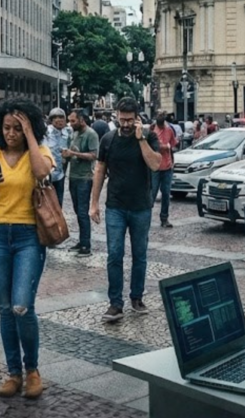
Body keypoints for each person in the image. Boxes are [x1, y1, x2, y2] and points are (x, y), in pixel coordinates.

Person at [0, 99, 54, 400]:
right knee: (5, 309)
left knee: (23, 305)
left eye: (17, 128)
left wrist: (31, 135)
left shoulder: (40, 152)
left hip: (29, 236)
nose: (10, 134)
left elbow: (42, 172)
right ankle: (13, 373)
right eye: (7, 128)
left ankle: (32, 369)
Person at [89, 97, 162, 323]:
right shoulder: (108, 139)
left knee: (139, 255)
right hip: (116, 206)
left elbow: (156, 164)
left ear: (137, 118)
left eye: (130, 120)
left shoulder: (149, 136)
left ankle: (136, 297)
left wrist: (141, 140)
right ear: (117, 116)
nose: (126, 124)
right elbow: (100, 170)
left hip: (141, 206)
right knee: (114, 255)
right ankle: (115, 303)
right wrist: (93, 203)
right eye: (122, 119)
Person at [63, 109, 100, 257]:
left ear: (82, 120)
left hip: (85, 178)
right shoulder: (74, 133)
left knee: (83, 212)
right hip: (73, 176)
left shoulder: (91, 134)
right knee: (78, 211)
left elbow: (93, 155)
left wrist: (74, 154)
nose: (70, 123)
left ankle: (86, 245)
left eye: (73, 121)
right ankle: (81, 241)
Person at [150, 113, 178, 229]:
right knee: (152, 193)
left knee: (166, 193)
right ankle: (145, 217)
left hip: (167, 166)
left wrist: (169, 149)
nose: (162, 126)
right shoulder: (152, 131)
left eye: (162, 124)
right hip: (155, 167)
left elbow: (173, 145)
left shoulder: (169, 130)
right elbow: (153, 146)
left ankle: (164, 218)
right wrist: (165, 146)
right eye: (160, 124)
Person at [43, 107, 71, 207]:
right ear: (51, 120)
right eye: (56, 118)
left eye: (62, 117)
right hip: (47, 174)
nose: (60, 120)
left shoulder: (68, 133)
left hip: (60, 174)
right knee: (46, 203)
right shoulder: (46, 133)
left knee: (59, 202)